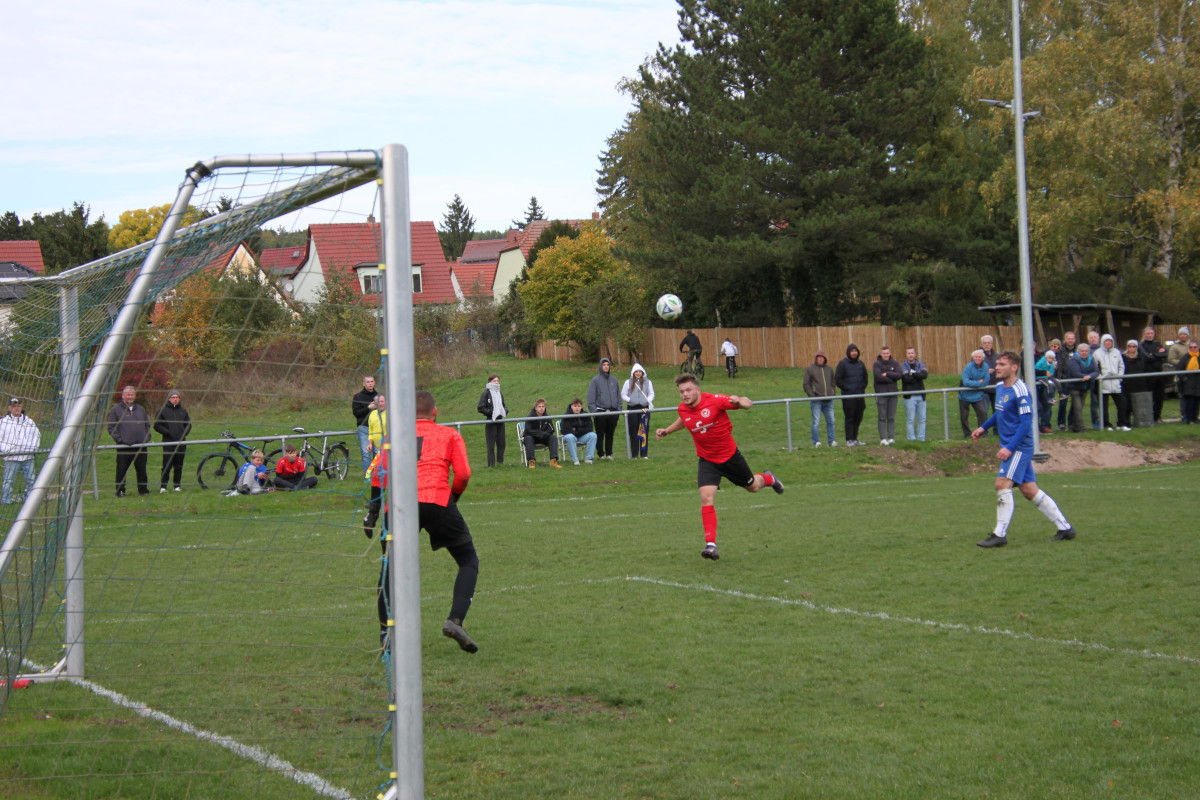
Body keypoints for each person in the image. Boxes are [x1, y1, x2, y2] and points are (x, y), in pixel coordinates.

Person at [365, 391, 481, 654]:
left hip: (398, 506)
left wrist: (372, 512)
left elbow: (378, 475)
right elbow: (463, 473)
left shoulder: (394, 437)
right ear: (435, 412)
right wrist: (454, 498)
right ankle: (455, 620)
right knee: (468, 560)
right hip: (436, 499)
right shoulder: (449, 434)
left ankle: (386, 633)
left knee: (389, 568)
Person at [655, 374, 784, 560]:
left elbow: (748, 403)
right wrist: (667, 431)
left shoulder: (714, 401)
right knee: (706, 496)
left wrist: (738, 401)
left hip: (730, 458)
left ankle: (770, 478)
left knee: (753, 487)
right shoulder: (683, 409)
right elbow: (685, 420)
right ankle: (711, 545)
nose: (685, 394)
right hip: (707, 460)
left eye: (688, 390)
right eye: (682, 391)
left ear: (697, 390)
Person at [974, 351, 1077, 548]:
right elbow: (1000, 412)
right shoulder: (1000, 387)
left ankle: (999, 535)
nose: (998, 367)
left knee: (1001, 483)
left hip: (1020, 446)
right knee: (1029, 490)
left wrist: (1010, 448)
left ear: (1014, 367)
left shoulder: (1021, 390)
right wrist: (983, 427)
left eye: (1002, 364)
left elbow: (1025, 423)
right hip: (1013, 446)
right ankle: (1065, 528)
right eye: (997, 364)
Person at [107, 385, 151, 497]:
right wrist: (120, 440)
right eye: (128, 394)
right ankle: (120, 491)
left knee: (142, 470)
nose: (130, 397)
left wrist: (146, 438)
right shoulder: (116, 409)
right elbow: (111, 427)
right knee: (121, 470)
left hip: (140, 446)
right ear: (123, 396)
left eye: (132, 394)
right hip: (124, 447)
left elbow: (147, 425)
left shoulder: (141, 409)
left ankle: (143, 490)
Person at [0, 397, 40, 505]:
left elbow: (36, 436)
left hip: (28, 457)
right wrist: (7, 450)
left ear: (21, 407)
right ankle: (6, 500)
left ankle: (31, 500)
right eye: (14, 406)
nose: (16, 408)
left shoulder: (29, 421)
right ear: (9, 408)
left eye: (18, 406)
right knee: (8, 481)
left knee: (31, 480)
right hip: (12, 457)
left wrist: (32, 449)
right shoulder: (3, 422)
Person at [153, 390, 191, 493]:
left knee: (179, 465)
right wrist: (168, 432)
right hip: (168, 443)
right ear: (169, 398)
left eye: (177, 397)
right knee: (167, 465)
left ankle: (177, 486)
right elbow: (157, 425)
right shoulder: (162, 410)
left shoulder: (183, 411)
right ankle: (163, 487)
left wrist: (184, 433)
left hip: (181, 443)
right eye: (173, 397)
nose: (175, 399)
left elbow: (188, 424)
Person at [587, 357, 622, 459]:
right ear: (600, 366)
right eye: (604, 365)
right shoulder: (595, 380)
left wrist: (618, 410)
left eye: (607, 365)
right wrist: (594, 412)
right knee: (600, 434)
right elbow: (591, 397)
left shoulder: (614, 380)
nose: (606, 367)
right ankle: (601, 454)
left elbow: (618, 396)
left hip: (613, 412)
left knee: (610, 434)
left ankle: (609, 453)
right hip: (600, 412)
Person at [834, 344, 869, 446]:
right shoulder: (842, 364)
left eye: (856, 351)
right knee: (850, 417)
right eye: (852, 351)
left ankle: (855, 438)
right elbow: (838, 380)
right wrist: (849, 389)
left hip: (860, 396)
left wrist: (861, 388)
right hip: (848, 397)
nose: (854, 353)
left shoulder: (861, 364)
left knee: (858, 417)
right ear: (848, 352)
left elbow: (865, 378)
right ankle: (849, 439)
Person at [802, 349, 837, 447]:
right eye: (819, 357)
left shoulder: (829, 369)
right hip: (817, 401)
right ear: (816, 358)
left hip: (829, 401)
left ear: (825, 358)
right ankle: (816, 442)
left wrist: (833, 392)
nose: (821, 359)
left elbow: (833, 382)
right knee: (816, 422)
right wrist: (812, 396)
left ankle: (832, 441)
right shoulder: (810, 369)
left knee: (831, 421)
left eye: (822, 357)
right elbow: (806, 384)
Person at [620, 363, 655, 458]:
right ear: (633, 373)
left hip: (644, 409)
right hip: (632, 409)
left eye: (640, 371)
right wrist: (630, 400)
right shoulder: (628, 382)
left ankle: (644, 454)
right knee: (633, 431)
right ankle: (634, 454)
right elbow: (623, 394)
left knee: (644, 431)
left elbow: (651, 393)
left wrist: (648, 400)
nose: (638, 373)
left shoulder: (648, 382)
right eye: (636, 371)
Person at [1095, 334, 1126, 430]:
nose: (1108, 343)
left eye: (1110, 341)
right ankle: (1106, 425)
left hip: (1116, 384)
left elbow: (1121, 365)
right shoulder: (1097, 353)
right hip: (1104, 384)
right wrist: (1100, 378)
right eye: (1106, 341)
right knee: (1104, 406)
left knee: (1122, 404)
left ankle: (1121, 424)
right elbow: (1095, 368)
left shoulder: (1116, 352)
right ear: (1103, 342)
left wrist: (1120, 377)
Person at [1066, 343, 1099, 433]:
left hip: (1085, 387)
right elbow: (1075, 373)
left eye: (1086, 351)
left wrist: (1089, 376)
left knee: (1078, 408)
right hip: (1075, 387)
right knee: (1078, 407)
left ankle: (1074, 426)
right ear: (1078, 351)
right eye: (1082, 351)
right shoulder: (1074, 360)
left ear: (1088, 352)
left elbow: (1096, 371)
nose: (1084, 353)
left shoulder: (1091, 359)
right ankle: (1081, 428)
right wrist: (1086, 376)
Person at [476, 374, 508, 467]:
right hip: (491, 421)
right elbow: (480, 407)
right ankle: (491, 465)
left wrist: (505, 411)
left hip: (500, 421)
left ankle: (500, 464)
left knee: (502, 443)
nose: (497, 383)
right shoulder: (486, 393)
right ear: (490, 382)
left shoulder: (499, 393)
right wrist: (491, 412)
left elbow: (503, 405)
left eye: (498, 381)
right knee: (491, 445)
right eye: (495, 381)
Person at [873, 346, 902, 445]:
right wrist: (892, 378)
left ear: (890, 353)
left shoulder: (895, 363)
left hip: (893, 394)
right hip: (881, 394)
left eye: (887, 353)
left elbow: (899, 375)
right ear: (881, 354)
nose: (885, 355)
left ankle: (891, 437)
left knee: (891, 417)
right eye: (884, 353)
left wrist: (888, 374)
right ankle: (883, 438)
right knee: (882, 417)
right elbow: (878, 377)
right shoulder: (877, 364)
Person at [523, 399, 563, 469]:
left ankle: (553, 461)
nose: (541, 408)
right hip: (533, 438)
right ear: (535, 408)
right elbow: (528, 430)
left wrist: (544, 435)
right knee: (528, 438)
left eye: (543, 406)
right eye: (539, 406)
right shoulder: (530, 417)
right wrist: (540, 434)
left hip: (544, 438)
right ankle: (531, 461)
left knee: (553, 437)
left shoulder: (547, 417)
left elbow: (551, 430)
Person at [1138, 327, 1168, 423]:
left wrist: (1154, 355)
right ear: (1144, 335)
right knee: (1149, 398)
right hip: (1148, 375)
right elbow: (1147, 357)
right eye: (1147, 333)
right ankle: (1148, 417)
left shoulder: (1157, 344)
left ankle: (1157, 417)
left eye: (1151, 333)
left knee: (1160, 397)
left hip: (1159, 374)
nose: (1150, 335)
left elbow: (1165, 354)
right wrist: (1157, 355)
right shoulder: (1141, 345)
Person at [959, 350, 990, 438]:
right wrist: (978, 382)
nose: (978, 358)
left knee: (982, 413)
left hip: (978, 395)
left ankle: (983, 433)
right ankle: (967, 434)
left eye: (979, 357)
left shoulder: (986, 367)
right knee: (964, 416)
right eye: (976, 357)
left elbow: (986, 381)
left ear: (983, 358)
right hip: (964, 395)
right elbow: (965, 382)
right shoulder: (968, 367)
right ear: (973, 358)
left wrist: (973, 382)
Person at [900, 347, 929, 442]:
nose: (910, 355)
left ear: (915, 354)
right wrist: (918, 375)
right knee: (910, 420)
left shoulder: (921, 364)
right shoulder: (903, 366)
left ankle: (921, 439)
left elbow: (924, 376)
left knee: (922, 419)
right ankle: (911, 439)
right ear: (906, 354)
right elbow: (906, 379)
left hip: (921, 395)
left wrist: (913, 374)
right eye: (908, 353)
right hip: (909, 396)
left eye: (912, 353)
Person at [351, 375, 379, 472]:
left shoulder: (379, 396)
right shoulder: (358, 397)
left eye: (371, 381)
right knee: (366, 452)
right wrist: (368, 408)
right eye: (368, 382)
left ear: (374, 383)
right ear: (364, 384)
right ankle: (367, 476)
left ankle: (377, 475)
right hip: (364, 427)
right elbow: (356, 413)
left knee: (377, 452)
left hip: (377, 428)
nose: (370, 383)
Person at [1121, 339, 1149, 429]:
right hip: (1127, 384)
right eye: (1130, 346)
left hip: (1139, 384)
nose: (1131, 348)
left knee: (1138, 404)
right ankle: (1126, 422)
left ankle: (1140, 422)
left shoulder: (1141, 357)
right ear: (1127, 347)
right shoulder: (1123, 357)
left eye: (1134, 346)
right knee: (1127, 404)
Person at [560, 398, 598, 465]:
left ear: (581, 406)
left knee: (593, 435)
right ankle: (575, 460)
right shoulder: (566, 416)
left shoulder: (586, 414)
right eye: (575, 406)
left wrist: (576, 430)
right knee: (569, 437)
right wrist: (580, 430)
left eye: (578, 406)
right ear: (571, 406)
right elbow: (565, 430)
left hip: (582, 436)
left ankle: (589, 459)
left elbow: (590, 428)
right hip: (571, 437)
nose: (577, 408)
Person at [1033, 349, 1059, 434]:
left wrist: (1047, 376)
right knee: (1037, 407)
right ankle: (1035, 427)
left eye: (1052, 358)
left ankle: (1045, 426)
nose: (1050, 360)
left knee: (1047, 405)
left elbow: (1051, 373)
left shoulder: (1052, 365)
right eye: (1049, 358)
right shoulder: (1040, 362)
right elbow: (1035, 370)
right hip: (1036, 385)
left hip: (1045, 385)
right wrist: (1044, 373)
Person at [1166, 327, 1191, 413]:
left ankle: (1193, 414)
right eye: (1181, 334)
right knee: (1183, 394)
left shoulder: (1193, 345)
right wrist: (1183, 362)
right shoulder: (1175, 347)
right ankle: (1184, 414)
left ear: (1188, 335)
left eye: (1184, 334)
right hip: (1182, 373)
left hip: (1193, 373)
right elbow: (1171, 359)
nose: (1183, 336)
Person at [1056, 332, 1077, 430]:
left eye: (1072, 338)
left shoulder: (1078, 350)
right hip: (1064, 380)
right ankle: (1061, 423)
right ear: (1065, 339)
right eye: (1068, 338)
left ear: (1075, 340)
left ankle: (1071, 422)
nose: (1070, 340)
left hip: (1075, 380)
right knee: (1063, 403)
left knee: (1075, 403)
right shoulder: (1060, 351)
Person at [1177, 339, 1200, 424]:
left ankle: (1195, 418)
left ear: (1198, 347)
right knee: (1189, 403)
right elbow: (1179, 370)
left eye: (1195, 347)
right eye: (1191, 347)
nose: (1193, 349)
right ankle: (1189, 419)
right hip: (1188, 384)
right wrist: (1184, 379)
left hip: (1198, 384)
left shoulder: (1199, 357)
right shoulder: (1185, 358)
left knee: (1196, 403)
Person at [1085, 331, 1103, 428]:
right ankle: (1095, 421)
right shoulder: (1086, 350)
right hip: (1092, 380)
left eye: (1095, 337)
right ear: (1088, 339)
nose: (1093, 339)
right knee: (1094, 402)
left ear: (1098, 338)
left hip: (1103, 378)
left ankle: (1104, 420)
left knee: (1103, 401)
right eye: (1091, 337)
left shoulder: (1103, 348)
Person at [366, 394, 387, 459]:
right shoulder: (372, 413)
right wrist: (370, 444)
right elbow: (370, 430)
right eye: (378, 402)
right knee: (378, 467)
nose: (380, 404)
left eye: (382, 401)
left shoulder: (391, 413)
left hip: (387, 446)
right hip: (376, 446)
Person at [980, 335, 998, 409]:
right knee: (984, 412)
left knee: (998, 411)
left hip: (996, 388)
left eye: (988, 343)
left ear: (992, 344)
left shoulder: (997, 356)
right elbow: (974, 372)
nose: (987, 345)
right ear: (982, 344)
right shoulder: (978, 356)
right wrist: (986, 372)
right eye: (984, 343)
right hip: (984, 389)